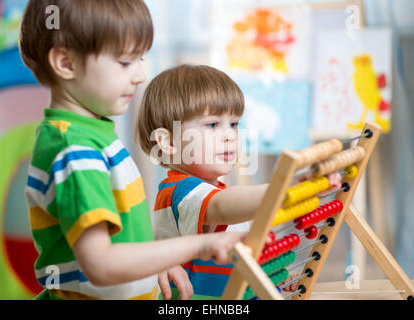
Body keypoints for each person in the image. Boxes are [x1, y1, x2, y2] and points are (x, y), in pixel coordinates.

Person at [20, 0, 244, 300]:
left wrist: (155, 265)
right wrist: (199, 246)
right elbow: (100, 265)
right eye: (126, 62)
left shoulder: (92, 136)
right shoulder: (74, 151)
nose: (139, 75)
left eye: (141, 59)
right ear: (66, 63)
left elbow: (120, 239)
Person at [136, 64, 342, 299]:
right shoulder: (180, 193)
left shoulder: (214, 192)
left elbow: (236, 259)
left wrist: (270, 278)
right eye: (213, 125)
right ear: (168, 142)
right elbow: (221, 207)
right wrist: (289, 188)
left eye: (234, 124)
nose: (229, 135)